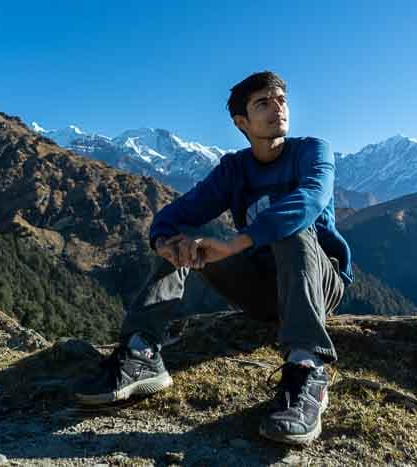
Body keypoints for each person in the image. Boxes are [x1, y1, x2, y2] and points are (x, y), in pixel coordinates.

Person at [74, 71, 354, 445]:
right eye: (263, 103)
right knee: (181, 241)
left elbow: (309, 200)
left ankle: (307, 371)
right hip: (261, 287)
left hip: (318, 282)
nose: (277, 109)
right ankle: (141, 351)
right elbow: (175, 215)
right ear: (242, 122)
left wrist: (237, 242)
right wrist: (164, 242)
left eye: (281, 100)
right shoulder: (234, 169)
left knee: (292, 230)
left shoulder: (312, 151)